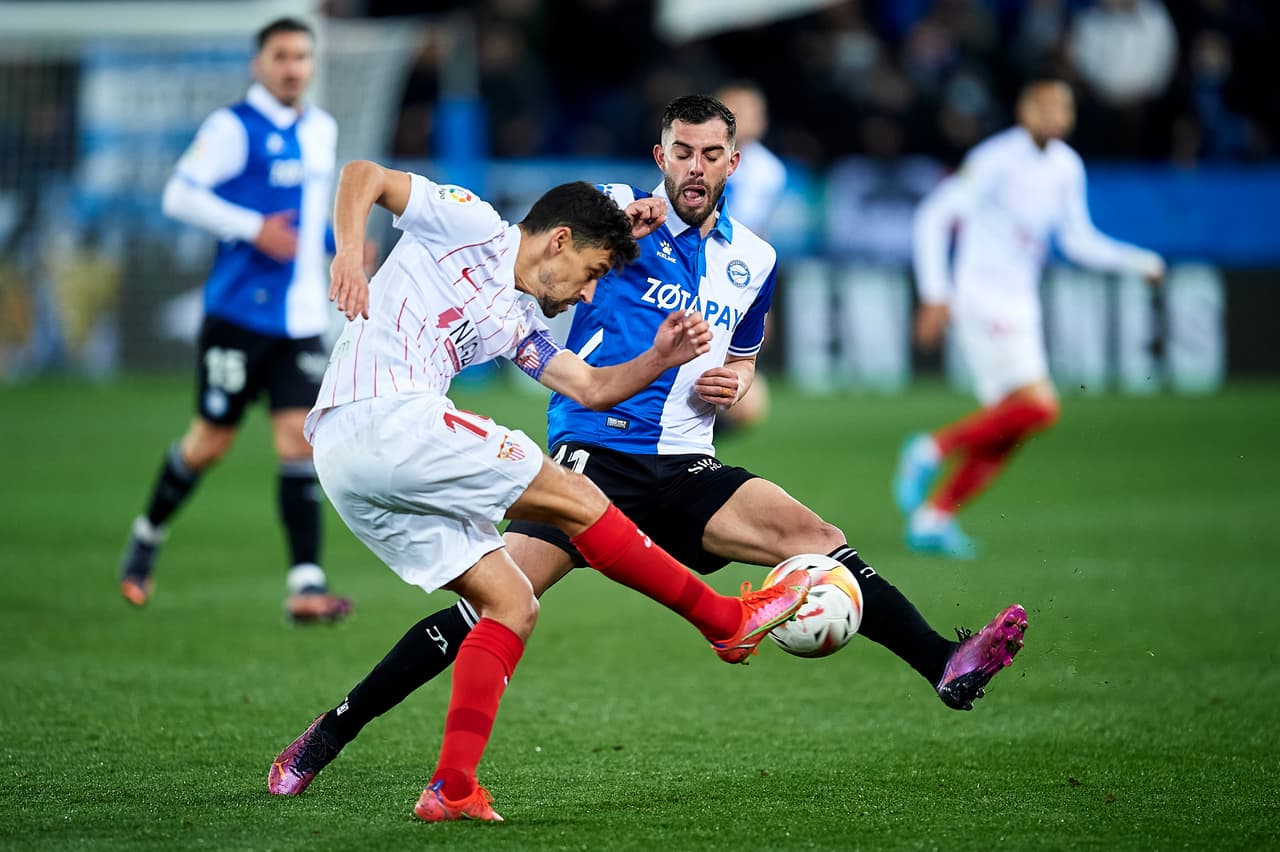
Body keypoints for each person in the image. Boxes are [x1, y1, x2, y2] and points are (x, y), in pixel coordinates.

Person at [266, 96, 1029, 804]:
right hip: (591, 454)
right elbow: (562, 276)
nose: (695, 166)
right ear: (659, 156)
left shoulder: (753, 261)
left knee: (818, 541)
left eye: (711, 153)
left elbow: (742, 356)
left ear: (735, 163)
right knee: (491, 606)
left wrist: (730, 380)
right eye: (681, 151)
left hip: (685, 461)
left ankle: (944, 666)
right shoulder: (609, 220)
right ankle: (334, 730)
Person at [269, 157, 813, 822]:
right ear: (559, 241)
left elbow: (588, 386)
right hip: (382, 417)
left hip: (354, 465)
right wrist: (348, 256)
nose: (588, 296)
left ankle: (452, 788)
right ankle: (725, 622)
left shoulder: (512, 321)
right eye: (590, 276)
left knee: (511, 603)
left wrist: (661, 356)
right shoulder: (472, 223)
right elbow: (362, 174)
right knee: (580, 497)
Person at [116, 18, 353, 622]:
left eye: (302, 55)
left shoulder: (320, 129)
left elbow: (309, 213)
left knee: (298, 441)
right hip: (237, 316)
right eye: (281, 56)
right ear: (259, 64)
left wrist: (340, 244)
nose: (293, 66)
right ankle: (147, 534)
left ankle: (306, 584)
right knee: (209, 443)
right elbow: (179, 195)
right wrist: (252, 228)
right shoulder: (232, 128)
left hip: (300, 318)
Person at [896, 76, 1166, 558]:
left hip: (1021, 303)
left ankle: (934, 518)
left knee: (1012, 424)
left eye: (1061, 107)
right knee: (1041, 407)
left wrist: (1136, 261)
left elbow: (1078, 238)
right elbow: (933, 216)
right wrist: (936, 294)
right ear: (1024, 111)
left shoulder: (1066, 166)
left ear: (1071, 115)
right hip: (982, 296)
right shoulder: (995, 159)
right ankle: (931, 449)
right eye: (1042, 106)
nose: (1052, 115)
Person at [712, 81, 787, 434]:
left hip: (728, 275)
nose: (745, 119)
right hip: (686, 267)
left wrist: (760, 301)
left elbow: (754, 234)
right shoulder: (697, 155)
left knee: (746, 404)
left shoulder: (766, 171)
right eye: (736, 110)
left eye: (752, 112)